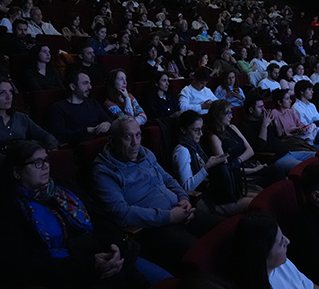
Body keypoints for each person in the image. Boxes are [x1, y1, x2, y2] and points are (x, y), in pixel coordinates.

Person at [0, 140, 170, 288]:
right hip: (71, 276)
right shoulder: (9, 209)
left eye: (46, 160)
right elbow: (24, 265)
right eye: (37, 163)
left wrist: (113, 245)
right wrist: (90, 264)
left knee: (167, 281)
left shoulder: (61, 187)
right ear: (16, 172)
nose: (45, 167)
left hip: (110, 255)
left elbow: (100, 217)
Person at [91, 117, 223, 273]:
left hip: (180, 212)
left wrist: (184, 199)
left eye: (138, 135)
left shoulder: (145, 153)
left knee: (224, 230)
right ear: (112, 140)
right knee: (202, 254)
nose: (135, 143)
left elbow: (168, 179)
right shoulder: (103, 172)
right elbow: (120, 213)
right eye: (128, 136)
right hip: (152, 229)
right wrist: (169, 216)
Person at [172, 110, 251, 215]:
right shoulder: (182, 151)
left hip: (213, 191)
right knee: (251, 203)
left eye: (202, 129)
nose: (200, 134)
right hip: (203, 198)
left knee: (255, 197)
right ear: (183, 130)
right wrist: (207, 166)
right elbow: (187, 187)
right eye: (196, 130)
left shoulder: (195, 147)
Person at [0, 78, 58, 163]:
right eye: (2, 93)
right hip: (0, 167)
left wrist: (51, 147)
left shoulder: (21, 118)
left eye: (10, 92)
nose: (8, 97)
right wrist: (8, 160)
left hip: (26, 163)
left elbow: (46, 136)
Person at [233, 212, 319, 289]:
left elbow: (311, 286)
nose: (287, 241)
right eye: (281, 242)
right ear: (264, 254)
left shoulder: (281, 263)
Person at [238, 93, 315, 174]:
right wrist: (264, 126)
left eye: (263, 106)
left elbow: (280, 135)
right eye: (260, 107)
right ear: (251, 110)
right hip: (276, 159)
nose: (263, 109)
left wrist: (274, 122)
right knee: (306, 168)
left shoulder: (263, 120)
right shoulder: (245, 126)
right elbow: (259, 147)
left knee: (316, 156)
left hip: (287, 151)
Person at [48, 72, 111, 144]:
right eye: (85, 83)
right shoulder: (58, 108)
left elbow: (108, 119)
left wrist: (107, 123)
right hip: (79, 145)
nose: (90, 87)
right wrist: (86, 131)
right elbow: (59, 135)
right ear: (73, 87)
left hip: (101, 140)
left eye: (89, 83)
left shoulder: (92, 102)